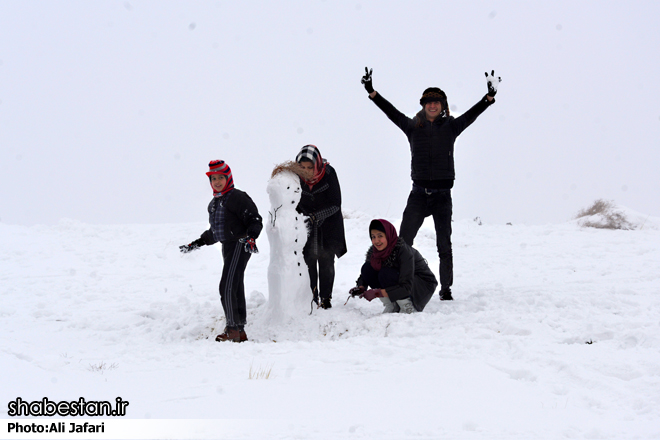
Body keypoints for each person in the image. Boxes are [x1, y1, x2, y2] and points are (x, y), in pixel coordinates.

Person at [361, 68, 502, 301]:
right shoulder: (412, 126)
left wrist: (487, 99)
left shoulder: (452, 127)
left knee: (444, 244)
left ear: (443, 105)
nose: (433, 106)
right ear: (423, 105)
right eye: (428, 102)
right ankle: (399, 284)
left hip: (442, 196)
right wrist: (372, 92)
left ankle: (445, 289)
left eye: (437, 102)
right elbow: (391, 112)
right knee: (402, 242)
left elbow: (471, 115)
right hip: (418, 195)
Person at [179, 160, 263, 343]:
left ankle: (232, 328)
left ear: (228, 178)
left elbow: (255, 219)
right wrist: (196, 243)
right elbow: (215, 231)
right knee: (235, 284)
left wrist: (251, 237)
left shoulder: (237, 197)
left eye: (220, 178)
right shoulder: (215, 204)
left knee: (226, 285)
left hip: (240, 244)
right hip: (227, 246)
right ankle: (240, 330)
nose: (216, 182)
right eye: (213, 179)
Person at [295, 144, 347, 310]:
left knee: (326, 261)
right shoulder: (295, 177)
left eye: (310, 167)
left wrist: (316, 216)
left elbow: (336, 203)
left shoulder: (329, 174)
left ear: (316, 165)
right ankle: (311, 297)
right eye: (302, 167)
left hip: (329, 224)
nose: (306, 171)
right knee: (308, 261)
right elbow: (293, 200)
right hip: (307, 226)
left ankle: (326, 299)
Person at [350, 219, 437, 313]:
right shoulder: (375, 252)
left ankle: (407, 306)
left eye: (380, 236)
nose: (376, 241)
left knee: (386, 274)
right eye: (373, 237)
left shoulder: (403, 251)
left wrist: (377, 293)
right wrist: (361, 287)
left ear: (388, 235)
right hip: (401, 281)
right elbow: (366, 274)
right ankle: (392, 305)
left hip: (420, 284)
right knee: (368, 268)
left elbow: (406, 286)